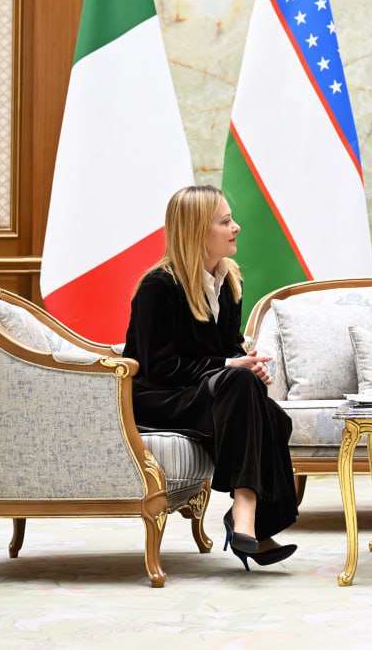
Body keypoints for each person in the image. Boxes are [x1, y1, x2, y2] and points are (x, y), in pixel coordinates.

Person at [124, 185, 298, 570]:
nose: (236, 227)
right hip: (160, 399)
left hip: (204, 393)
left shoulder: (230, 280)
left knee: (273, 415)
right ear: (198, 230)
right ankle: (247, 515)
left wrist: (246, 364)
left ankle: (250, 524)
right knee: (243, 387)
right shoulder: (158, 287)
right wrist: (230, 367)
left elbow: (229, 347)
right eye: (225, 221)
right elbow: (159, 367)